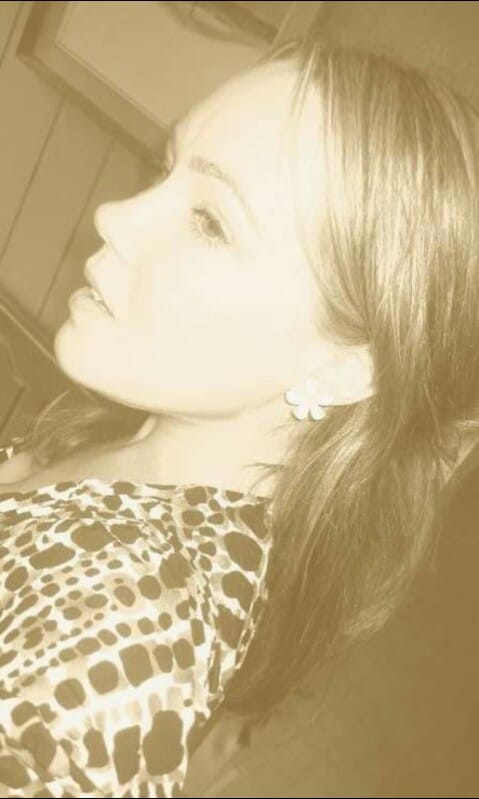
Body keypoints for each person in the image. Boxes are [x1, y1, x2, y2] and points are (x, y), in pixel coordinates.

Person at [0, 33, 479, 798]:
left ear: (346, 365)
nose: (116, 214)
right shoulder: (143, 425)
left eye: (211, 222)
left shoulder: (119, 640)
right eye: (164, 166)